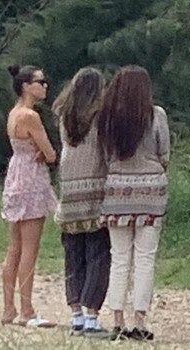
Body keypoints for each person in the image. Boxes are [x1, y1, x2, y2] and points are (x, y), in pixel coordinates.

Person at [97, 65, 170, 341]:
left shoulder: (106, 118)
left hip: (117, 190)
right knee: (145, 258)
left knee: (119, 257)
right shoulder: (156, 115)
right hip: (151, 191)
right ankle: (140, 319)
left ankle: (117, 318)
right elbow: (164, 153)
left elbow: (104, 157)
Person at [53, 67, 110, 336]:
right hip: (95, 188)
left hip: (68, 191)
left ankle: (75, 313)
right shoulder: (100, 116)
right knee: (98, 254)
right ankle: (91, 317)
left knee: (72, 255)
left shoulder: (65, 115)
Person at [0, 64, 57, 328]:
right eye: (39, 82)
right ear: (26, 86)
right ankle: (27, 310)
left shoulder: (13, 114)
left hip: (15, 175)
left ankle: (9, 308)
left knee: (14, 246)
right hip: (31, 178)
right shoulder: (30, 116)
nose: (44, 86)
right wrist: (45, 153)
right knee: (30, 248)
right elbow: (50, 153)